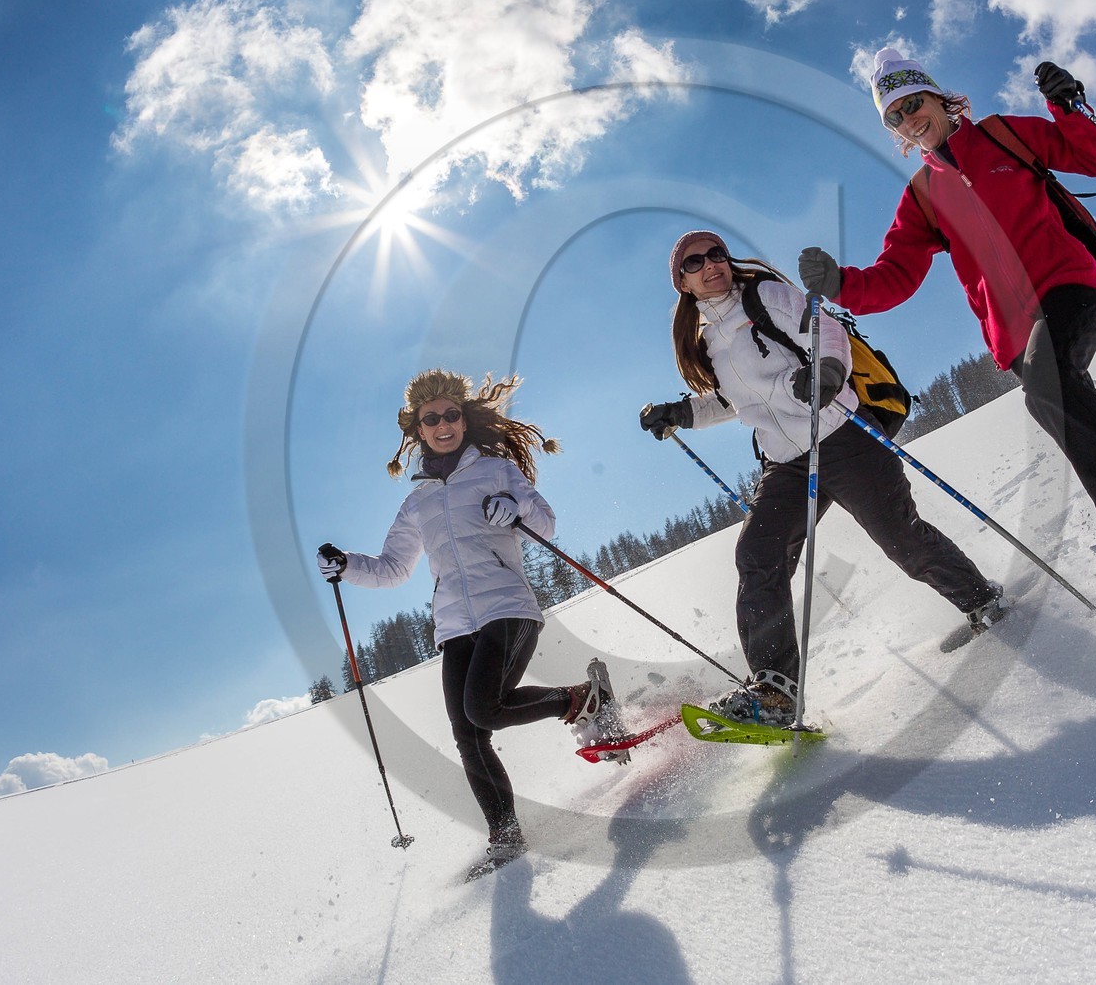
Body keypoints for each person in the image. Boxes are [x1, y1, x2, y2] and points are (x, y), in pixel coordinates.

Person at [798, 49, 1096, 577]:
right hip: (1013, 333)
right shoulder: (921, 197)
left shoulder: (1003, 134)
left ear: (938, 97)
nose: (909, 120)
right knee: (1050, 394)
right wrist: (841, 283)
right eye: (894, 116)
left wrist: (1066, 106)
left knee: (1052, 384)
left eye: (913, 103)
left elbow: (1091, 158)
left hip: (1069, 284)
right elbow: (895, 277)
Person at [639, 230, 1004, 729]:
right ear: (681, 282)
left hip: (840, 435)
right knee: (757, 555)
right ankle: (775, 692)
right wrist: (681, 412)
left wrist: (827, 372)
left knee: (900, 537)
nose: (710, 265)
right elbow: (736, 400)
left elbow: (825, 330)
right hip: (786, 464)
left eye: (716, 253)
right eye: (695, 262)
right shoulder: (706, 342)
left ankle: (982, 600)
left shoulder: (765, 295)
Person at [317, 369, 618, 879]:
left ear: (464, 417)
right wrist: (347, 565)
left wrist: (514, 507)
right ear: (417, 430)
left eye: (451, 414)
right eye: (430, 418)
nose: (442, 424)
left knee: (484, 708)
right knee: (468, 734)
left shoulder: (497, 470)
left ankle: (579, 701)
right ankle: (506, 836)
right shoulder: (416, 502)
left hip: (508, 608)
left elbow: (544, 521)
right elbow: (392, 569)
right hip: (455, 624)